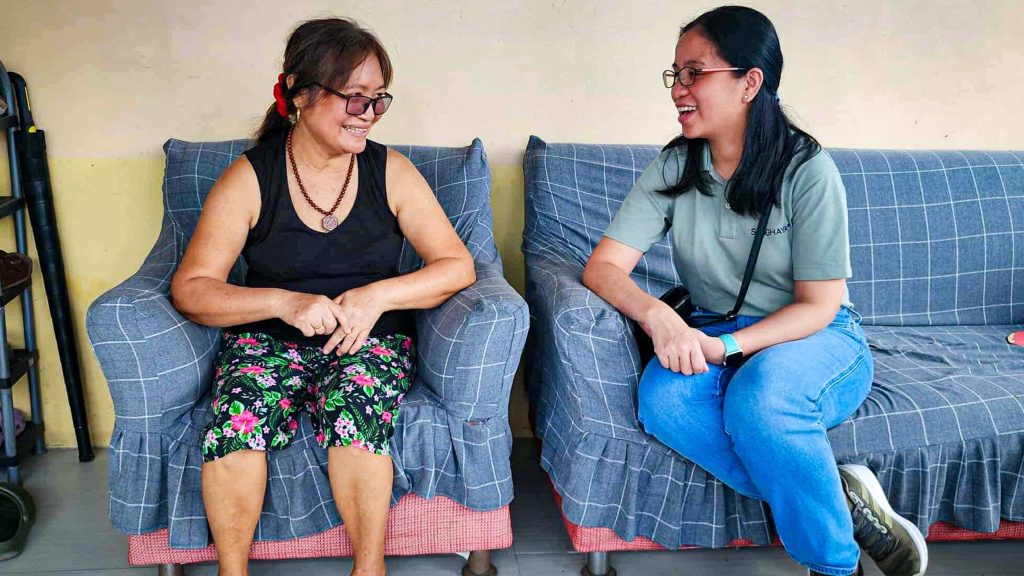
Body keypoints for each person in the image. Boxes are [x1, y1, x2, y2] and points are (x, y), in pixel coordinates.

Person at [582, 6, 927, 576]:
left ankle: (837, 564)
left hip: (816, 335)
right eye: (675, 75)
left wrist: (725, 349)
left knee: (762, 399)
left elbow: (819, 305)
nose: (679, 90)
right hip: (714, 325)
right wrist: (658, 319)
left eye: (695, 73)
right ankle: (838, 499)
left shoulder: (807, 171)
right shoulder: (674, 165)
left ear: (750, 82)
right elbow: (603, 268)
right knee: (662, 400)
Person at [170, 17, 475, 576]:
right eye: (354, 99)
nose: (369, 115)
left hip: (368, 339)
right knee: (237, 419)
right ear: (297, 96)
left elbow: (456, 266)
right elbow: (192, 290)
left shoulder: (392, 172)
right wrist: (284, 302)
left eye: (378, 100)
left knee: (356, 411)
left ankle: (370, 569)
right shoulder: (249, 178)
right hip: (268, 341)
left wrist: (377, 296)